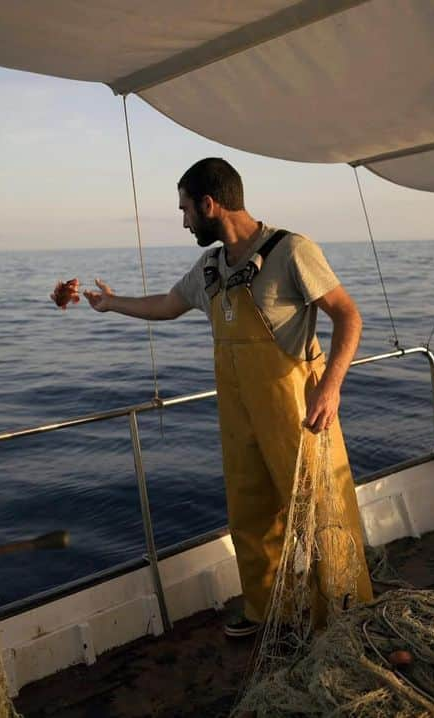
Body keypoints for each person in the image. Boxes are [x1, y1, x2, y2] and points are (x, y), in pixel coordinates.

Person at [55, 157, 372, 637]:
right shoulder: (209, 267)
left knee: (321, 511)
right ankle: (270, 610)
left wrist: (330, 388)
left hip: (298, 412)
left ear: (209, 204)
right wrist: (111, 303)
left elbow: (348, 317)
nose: (184, 221)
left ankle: (345, 614)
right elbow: (167, 304)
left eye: (186, 210)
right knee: (250, 511)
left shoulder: (291, 251)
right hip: (239, 413)